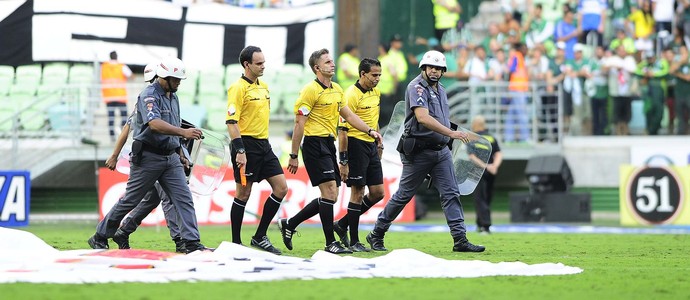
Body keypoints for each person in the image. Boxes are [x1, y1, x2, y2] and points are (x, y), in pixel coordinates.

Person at [365, 50, 485, 253]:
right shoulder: (416, 88)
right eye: (431, 67)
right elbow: (422, 118)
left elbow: (442, 118)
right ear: (424, 68)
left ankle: (460, 239)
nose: (435, 72)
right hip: (419, 152)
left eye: (439, 69)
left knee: (451, 194)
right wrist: (450, 133)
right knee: (403, 195)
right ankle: (377, 233)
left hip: (441, 151)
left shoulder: (442, 90)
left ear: (443, 71)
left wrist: (452, 132)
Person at [88, 56, 210, 254]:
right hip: (148, 158)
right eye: (175, 79)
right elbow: (154, 124)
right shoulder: (149, 95)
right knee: (131, 200)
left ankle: (191, 242)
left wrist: (181, 151)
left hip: (170, 158)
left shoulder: (174, 96)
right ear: (164, 77)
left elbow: (173, 125)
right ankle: (100, 235)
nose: (179, 83)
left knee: (183, 198)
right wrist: (184, 133)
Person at [278, 48, 383, 254]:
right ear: (317, 68)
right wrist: (293, 155)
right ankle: (330, 243)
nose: (332, 65)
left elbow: (349, 116)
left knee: (332, 196)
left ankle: (290, 223)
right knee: (330, 193)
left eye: (332, 61)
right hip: (313, 144)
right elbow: (299, 123)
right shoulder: (310, 90)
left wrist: (370, 130)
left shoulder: (336, 89)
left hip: (328, 143)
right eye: (327, 62)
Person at [103, 62, 184, 252]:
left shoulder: (168, 98)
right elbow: (128, 129)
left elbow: (126, 128)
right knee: (168, 198)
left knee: (152, 199)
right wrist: (114, 155)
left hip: (163, 155)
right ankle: (180, 239)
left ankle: (124, 231)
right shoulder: (148, 99)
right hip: (151, 157)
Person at [226, 46, 287, 255]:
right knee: (243, 193)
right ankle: (235, 243)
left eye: (264, 62)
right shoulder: (238, 88)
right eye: (258, 63)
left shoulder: (264, 87)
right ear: (246, 65)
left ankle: (260, 236)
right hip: (246, 145)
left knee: (281, 188)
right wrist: (240, 150)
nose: (263, 67)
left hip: (264, 145)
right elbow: (232, 122)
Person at [332, 58, 385, 252]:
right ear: (362, 74)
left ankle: (342, 223)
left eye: (379, 75)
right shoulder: (350, 96)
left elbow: (374, 120)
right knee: (358, 192)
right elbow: (343, 131)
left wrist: (379, 142)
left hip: (371, 145)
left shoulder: (376, 92)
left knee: (378, 193)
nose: (377, 79)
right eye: (374, 75)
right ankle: (354, 241)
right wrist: (343, 160)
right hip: (355, 145)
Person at [469, 115, 501, 234]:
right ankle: (480, 224)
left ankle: (485, 226)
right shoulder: (491, 138)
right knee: (487, 198)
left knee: (480, 199)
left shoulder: (474, 138)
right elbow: (498, 154)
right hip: (491, 171)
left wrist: (485, 167)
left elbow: (472, 156)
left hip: (478, 171)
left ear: (476, 125)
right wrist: (494, 166)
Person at [101, 51, 133, 142]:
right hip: (120, 96)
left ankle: (112, 136)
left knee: (111, 117)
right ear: (116, 57)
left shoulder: (104, 66)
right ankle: (122, 134)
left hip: (109, 96)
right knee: (124, 117)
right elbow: (131, 75)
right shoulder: (121, 66)